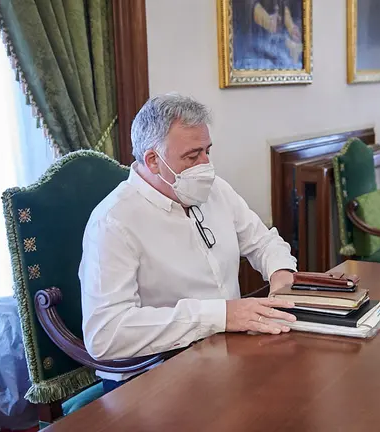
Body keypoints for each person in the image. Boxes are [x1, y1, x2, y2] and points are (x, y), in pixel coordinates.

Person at [79, 94, 299, 393]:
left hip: (225, 349)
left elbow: (263, 242)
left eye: (207, 151)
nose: (205, 166)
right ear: (153, 160)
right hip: (153, 374)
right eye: (192, 156)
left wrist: (281, 278)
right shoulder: (113, 222)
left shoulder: (216, 190)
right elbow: (106, 334)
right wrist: (220, 315)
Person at [233, 0, 303, 70]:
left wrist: (291, 26)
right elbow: (245, 4)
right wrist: (267, 21)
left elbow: (282, 6)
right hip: (249, 40)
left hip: (274, 38)